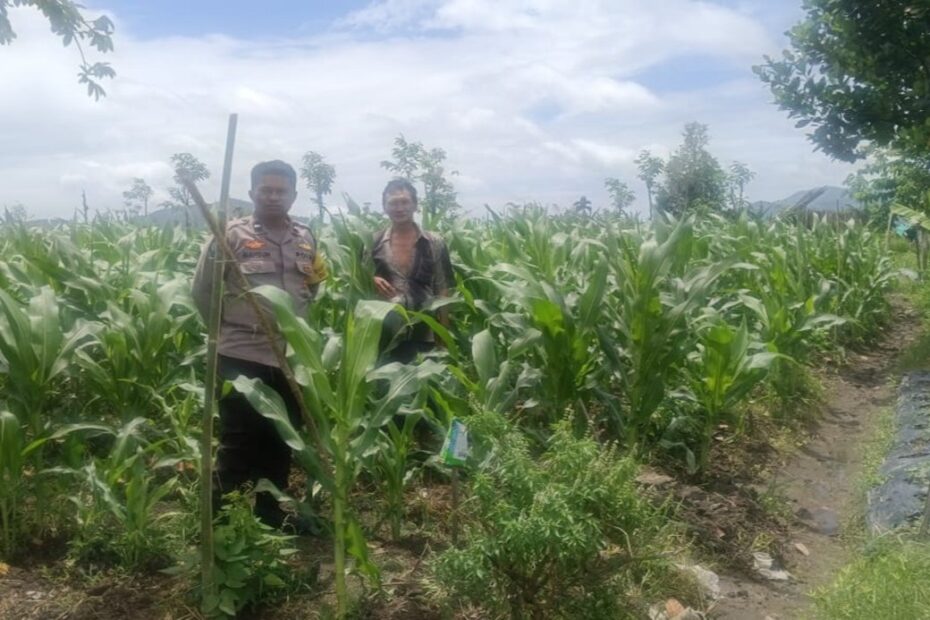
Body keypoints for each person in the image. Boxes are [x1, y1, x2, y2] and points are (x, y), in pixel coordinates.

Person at [191, 160, 327, 528]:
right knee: (239, 439)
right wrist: (225, 331)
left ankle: (269, 515)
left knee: (282, 438)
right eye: (265, 189)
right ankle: (220, 523)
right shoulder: (231, 235)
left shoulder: (305, 237)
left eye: (280, 190)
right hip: (241, 354)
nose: (273, 196)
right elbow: (203, 291)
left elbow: (312, 286)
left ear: (293, 196)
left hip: (290, 356)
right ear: (252, 193)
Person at [370, 178, 455, 363]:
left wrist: (443, 334)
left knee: (426, 388)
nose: (399, 208)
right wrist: (372, 279)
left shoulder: (434, 242)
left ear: (415, 205)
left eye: (405, 202)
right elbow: (360, 282)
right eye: (393, 203)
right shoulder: (373, 242)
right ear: (384, 207)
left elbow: (443, 289)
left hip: (425, 333)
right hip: (386, 334)